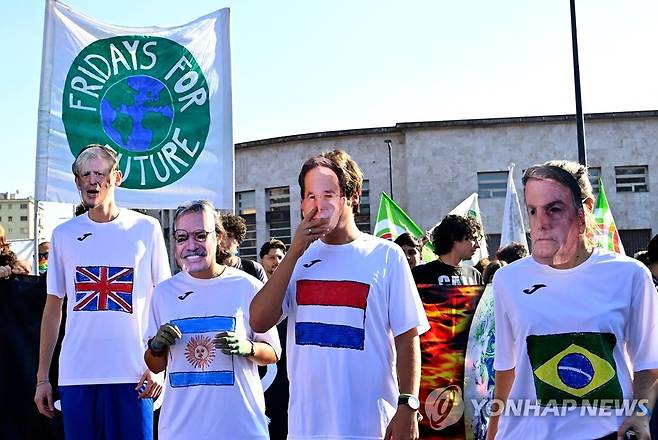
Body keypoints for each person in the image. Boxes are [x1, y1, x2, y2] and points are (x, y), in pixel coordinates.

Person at [250, 149, 429, 440]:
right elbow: (258, 321)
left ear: (353, 196)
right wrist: (294, 252)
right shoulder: (298, 259)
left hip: (371, 425)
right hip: (307, 428)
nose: (318, 205)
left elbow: (407, 336)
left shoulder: (386, 256)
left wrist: (408, 404)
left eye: (328, 194)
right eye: (310, 196)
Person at [488, 160, 658, 440]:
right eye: (533, 210)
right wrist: (493, 435)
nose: (541, 221)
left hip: (608, 433)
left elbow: (648, 363)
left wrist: (641, 416)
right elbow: (506, 369)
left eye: (554, 208)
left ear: (585, 209)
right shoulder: (508, 280)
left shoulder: (629, 274)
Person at [34, 144, 171, 440]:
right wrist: (43, 376)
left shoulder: (146, 229)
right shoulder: (63, 235)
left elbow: (165, 300)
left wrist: (160, 367)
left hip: (135, 373)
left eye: (99, 173)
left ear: (117, 177)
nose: (92, 181)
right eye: (85, 174)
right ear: (77, 182)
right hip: (77, 374)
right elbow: (53, 307)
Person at [144, 200, 280, 439]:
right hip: (180, 430)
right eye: (182, 237)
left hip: (240, 429)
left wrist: (247, 348)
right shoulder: (163, 293)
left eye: (200, 235)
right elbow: (155, 365)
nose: (191, 245)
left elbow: (273, 352)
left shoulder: (247, 285)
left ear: (218, 237)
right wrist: (156, 346)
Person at [412, 214, 483, 285]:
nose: (478, 245)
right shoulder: (420, 274)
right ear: (455, 238)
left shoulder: (475, 276)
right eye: (473, 239)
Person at [219, 212, 267, 283]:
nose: (222, 241)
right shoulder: (207, 271)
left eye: (228, 236)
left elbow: (266, 293)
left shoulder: (253, 269)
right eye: (220, 236)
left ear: (238, 240)